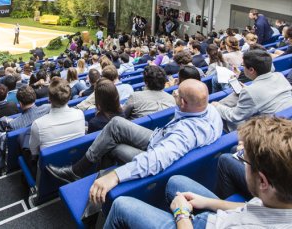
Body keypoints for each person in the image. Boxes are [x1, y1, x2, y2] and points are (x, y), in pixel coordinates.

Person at [46, 79, 223, 203]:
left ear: (184, 103)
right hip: (159, 138)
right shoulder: (210, 110)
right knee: (115, 124)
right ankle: (79, 171)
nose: (173, 92)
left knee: (110, 146)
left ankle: (84, 179)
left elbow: (156, 160)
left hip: (155, 152)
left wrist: (114, 176)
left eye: (177, 92)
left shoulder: (184, 134)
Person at [104, 116, 292, 229]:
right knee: (176, 181)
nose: (241, 160)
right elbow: (253, 208)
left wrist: (181, 214)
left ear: (263, 181)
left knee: (121, 205)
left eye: (244, 159)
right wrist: (207, 202)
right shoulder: (278, 198)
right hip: (220, 218)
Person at [213, 49, 292, 132]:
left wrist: (217, 106)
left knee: (222, 111)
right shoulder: (279, 75)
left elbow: (234, 116)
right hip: (286, 120)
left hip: (272, 131)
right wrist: (247, 89)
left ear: (251, 70)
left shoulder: (250, 92)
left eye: (242, 65)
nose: (242, 68)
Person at [29, 78, 85, 157]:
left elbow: (34, 152)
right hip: (75, 160)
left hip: (48, 167)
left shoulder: (38, 124)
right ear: (69, 98)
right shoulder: (80, 114)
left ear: (49, 99)